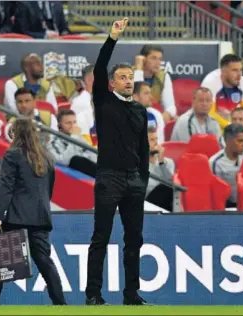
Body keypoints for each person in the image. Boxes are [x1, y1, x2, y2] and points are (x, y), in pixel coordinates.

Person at [85, 18, 150, 306]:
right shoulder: (103, 101)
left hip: (134, 180)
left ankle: (131, 295)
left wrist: (143, 181)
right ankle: (93, 294)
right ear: (112, 83)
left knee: (134, 240)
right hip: (108, 177)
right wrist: (112, 38)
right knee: (101, 237)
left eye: (130, 77)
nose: (128, 81)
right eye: (123, 77)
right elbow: (99, 68)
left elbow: (144, 149)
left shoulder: (140, 109)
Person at [0, 118, 66, 306]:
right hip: (40, 218)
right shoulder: (47, 156)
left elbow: (6, 188)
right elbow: (49, 189)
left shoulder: (12, 154)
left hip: (16, 218)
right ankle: (60, 303)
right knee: (45, 262)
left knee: (1, 262)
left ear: (15, 133)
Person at [209, 124, 243, 208]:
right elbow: (214, 193)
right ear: (227, 141)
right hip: (226, 206)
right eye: (240, 141)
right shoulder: (215, 162)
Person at [146, 127, 175, 211]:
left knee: (166, 188)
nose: (156, 143)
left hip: (166, 202)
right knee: (163, 188)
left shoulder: (168, 162)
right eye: (151, 140)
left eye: (156, 139)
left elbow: (172, 184)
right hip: (146, 203)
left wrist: (161, 162)